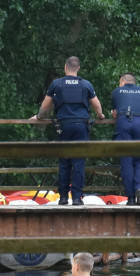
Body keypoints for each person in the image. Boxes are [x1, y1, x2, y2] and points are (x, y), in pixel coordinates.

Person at [31, 56, 105, 205]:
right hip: (81, 126)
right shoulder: (86, 85)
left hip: (63, 126)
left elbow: (46, 105)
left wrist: (39, 116)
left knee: (64, 162)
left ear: (65, 67)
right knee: (78, 162)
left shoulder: (57, 84)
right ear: (78, 68)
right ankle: (77, 198)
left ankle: (63, 197)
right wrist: (100, 115)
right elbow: (96, 104)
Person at [110, 73, 140, 205]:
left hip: (123, 122)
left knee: (126, 160)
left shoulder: (116, 92)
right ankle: (139, 187)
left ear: (123, 81)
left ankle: (131, 198)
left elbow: (114, 113)